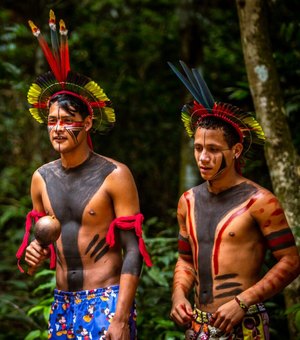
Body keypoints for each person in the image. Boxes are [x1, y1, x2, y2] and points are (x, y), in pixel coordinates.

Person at [16, 10, 152, 340]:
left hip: (106, 301)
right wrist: (31, 255)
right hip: (62, 302)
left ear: (88, 123)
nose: (58, 128)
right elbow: (35, 252)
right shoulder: (41, 178)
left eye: (67, 120)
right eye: (52, 121)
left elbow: (133, 250)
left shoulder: (115, 175)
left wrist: (120, 317)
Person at [168, 61, 300, 339]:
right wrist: (178, 294)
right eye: (198, 148)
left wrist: (243, 301)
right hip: (198, 326)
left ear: (236, 150)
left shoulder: (260, 201)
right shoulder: (187, 201)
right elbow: (185, 260)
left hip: (244, 324)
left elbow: (290, 261)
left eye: (214, 150)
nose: (203, 157)